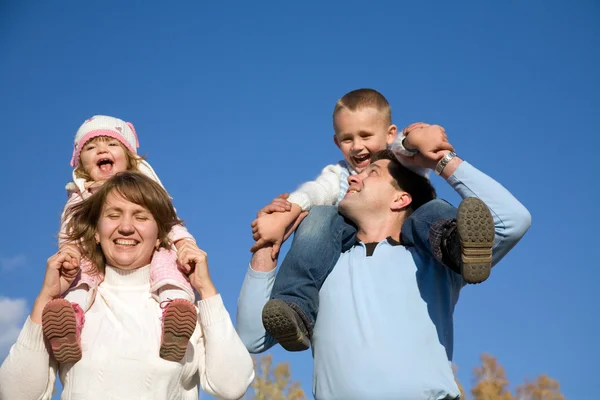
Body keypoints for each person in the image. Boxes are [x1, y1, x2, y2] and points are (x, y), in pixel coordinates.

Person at [237, 124, 531, 400]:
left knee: (444, 223)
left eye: (372, 173)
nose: (353, 177)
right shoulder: (322, 264)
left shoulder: (434, 262)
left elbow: (512, 220)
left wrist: (442, 160)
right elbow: (253, 338)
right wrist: (266, 245)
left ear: (400, 199)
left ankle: (452, 236)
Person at [251, 89, 495, 351]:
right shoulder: (339, 174)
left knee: (433, 209)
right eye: (347, 139)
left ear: (389, 134)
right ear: (336, 142)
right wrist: (288, 212)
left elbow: (408, 145)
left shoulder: (399, 158)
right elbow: (316, 191)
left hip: (415, 224)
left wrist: (419, 137)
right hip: (354, 234)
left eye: (366, 135)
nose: (357, 146)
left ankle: (456, 246)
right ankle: (295, 307)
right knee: (320, 218)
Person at [0, 171, 254, 400]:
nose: (125, 227)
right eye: (113, 215)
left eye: (141, 217)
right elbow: (15, 394)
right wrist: (46, 296)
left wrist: (206, 291)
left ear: (159, 236)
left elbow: (231, 386)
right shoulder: (70, 308)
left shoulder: (181, 308)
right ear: (96, 232)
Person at [44, 115, 199, 363]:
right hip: (91, 254)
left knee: (168, 261)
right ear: (81, 163)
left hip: (148, 254)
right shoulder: (81, 196)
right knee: (80, 273)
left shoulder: (145, 191)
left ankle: (175, 311)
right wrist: (69, 251)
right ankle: (69, 321)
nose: (102, 149)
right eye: (91, 147)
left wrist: (183, 243)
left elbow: (169, 222)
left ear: (129, 158)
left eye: (112, 144)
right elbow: (70, 229)